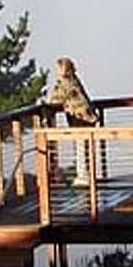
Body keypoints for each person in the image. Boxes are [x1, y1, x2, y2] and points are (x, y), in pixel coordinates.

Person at [45, 57, 98, 186]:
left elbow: (54, 99)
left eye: (58, 68)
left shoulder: (63, 82)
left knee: (80, 145)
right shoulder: (74, 79)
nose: (57, 71)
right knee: (86, 146)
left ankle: (83, 176)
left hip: (79, 117)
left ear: (63, 69)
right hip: (88, 115)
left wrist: (46, 105)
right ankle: (87, 175)